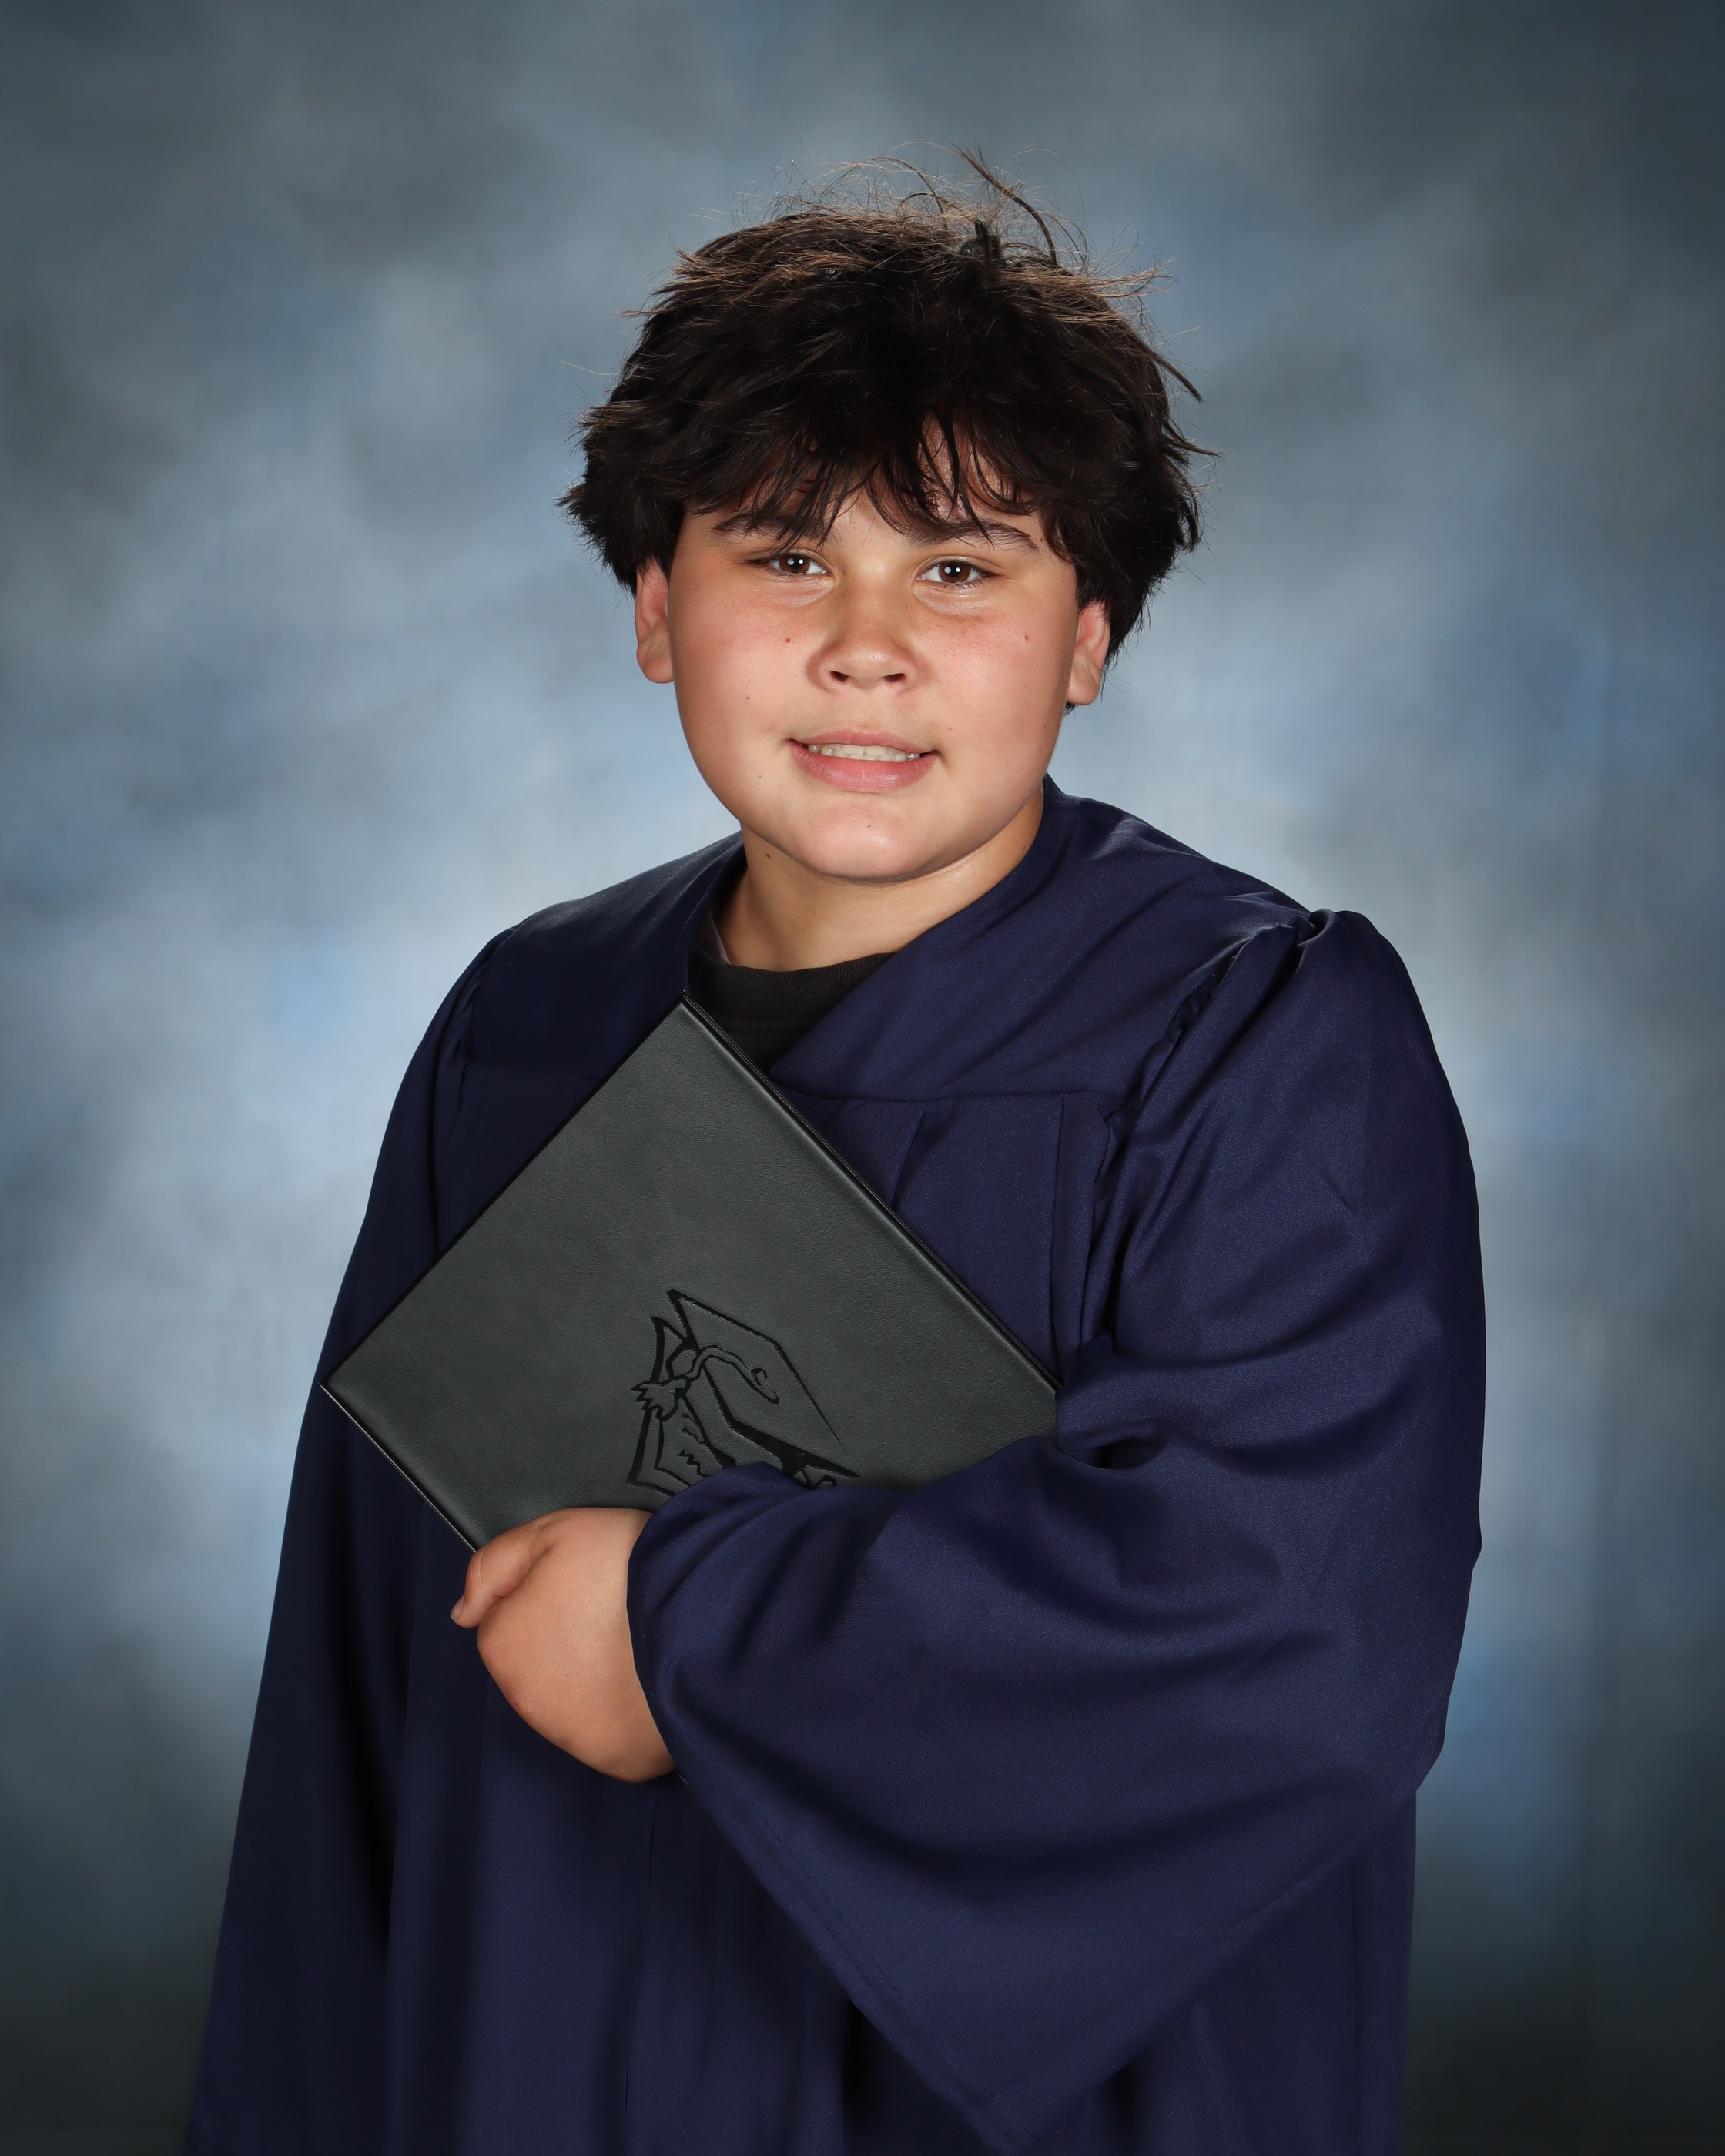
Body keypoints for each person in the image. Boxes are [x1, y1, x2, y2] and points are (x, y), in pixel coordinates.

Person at [185, 165, 1484, 2156]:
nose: (866, 648)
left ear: (1088, 637)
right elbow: (358, 1673)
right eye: (785, 557)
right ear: (654, 608)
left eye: (960, 570)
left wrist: (683, 1627)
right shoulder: (527, 1027)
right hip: (540, 2035)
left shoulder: (1255, 1036)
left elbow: (1291, 1634)